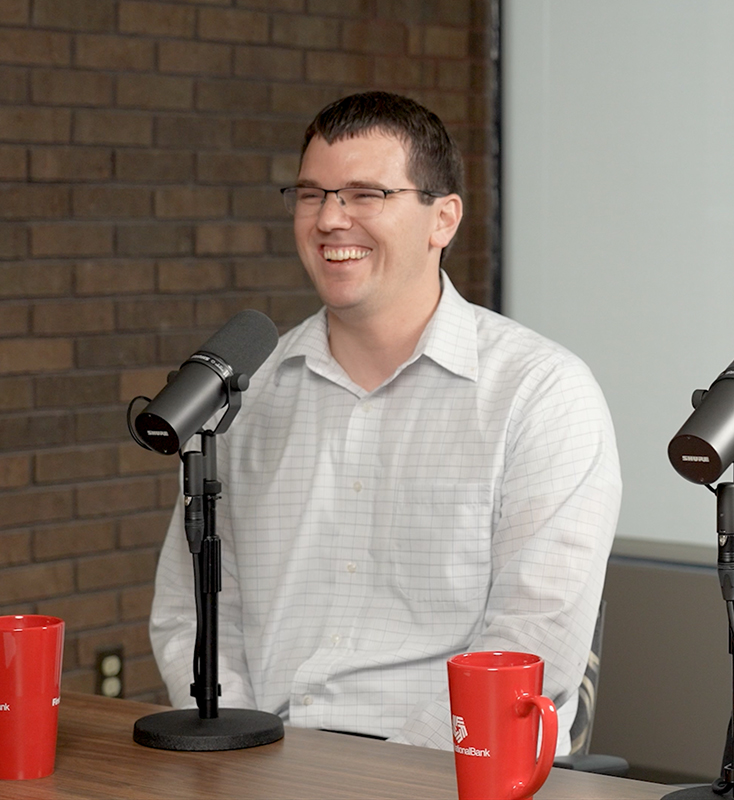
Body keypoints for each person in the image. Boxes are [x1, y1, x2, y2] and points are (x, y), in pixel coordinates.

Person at [149, 92, 621, 754]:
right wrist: (241, 745)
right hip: (265, 761)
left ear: (443, 219)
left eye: (365, 194)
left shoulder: (540, 393)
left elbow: (534, 638)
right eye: (311, 194)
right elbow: (189, 614)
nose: (330, 219)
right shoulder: (245, 394)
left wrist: (391, 779)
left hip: (456, 767)